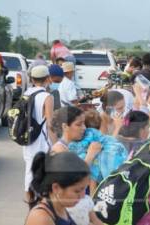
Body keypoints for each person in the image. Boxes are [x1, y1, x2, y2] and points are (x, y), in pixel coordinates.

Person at [50, 106, 103, 225]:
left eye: (84, 124)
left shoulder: (75, 146)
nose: (84, 128)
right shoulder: (59, 150)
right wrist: (91, 154)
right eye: (79, 124)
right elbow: (76, 175)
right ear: (65, 126)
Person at [25, 151, 89, 225]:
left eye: (85, 189)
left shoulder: (60, 207)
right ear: (56, 188)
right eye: (77, 191)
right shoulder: (41, 218)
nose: (83, 196)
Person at [23, 65, 54, 200]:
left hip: (28, 135)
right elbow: (49, 122)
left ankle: (29, 198)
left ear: (32, 79)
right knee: (43, 168)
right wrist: (56, 142)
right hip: (41, 137)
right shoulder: (47, 96)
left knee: (30, 167)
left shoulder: (26, 93)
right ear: (47, 78)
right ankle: (42, 199)